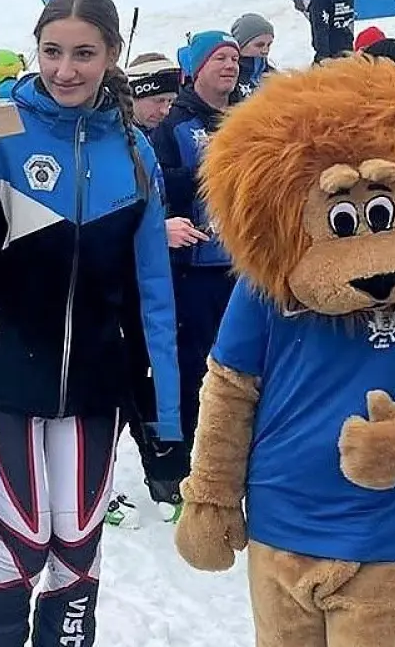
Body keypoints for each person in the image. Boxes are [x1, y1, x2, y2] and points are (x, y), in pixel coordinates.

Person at [0, 0, 178, 647]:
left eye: (83, 54)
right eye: (52, 52)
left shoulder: (134, 151)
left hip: (96, 387)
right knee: (24, 543)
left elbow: (154, 290)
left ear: (111, 56)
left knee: (77, 549)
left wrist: (170, 417)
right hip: (5, 375)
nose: (65, 69)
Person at [147, 30, 239, 507]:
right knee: (193, 370)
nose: (230, 65)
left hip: (242, 269)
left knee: (241, 371)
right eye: (219, 57)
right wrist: (216, 172)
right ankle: (183, 469)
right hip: (192, 269)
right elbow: (157, 187)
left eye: (235, 57)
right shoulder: (175, 123)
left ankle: (234, 465)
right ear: (197, 68)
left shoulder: (249, 116)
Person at [123, 52, 178, 132]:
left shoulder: (160, 132)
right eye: (159, 100)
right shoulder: (111, 134)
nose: (165, 111)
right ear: (133, 94)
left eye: (170, 101)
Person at [229, 12, 275, 100]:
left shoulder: (271, 73)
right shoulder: (228, 76)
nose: (266, 51)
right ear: (240, 45)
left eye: (269, 45)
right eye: (259, 45)